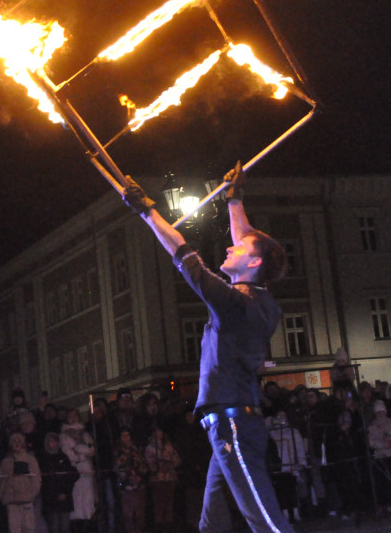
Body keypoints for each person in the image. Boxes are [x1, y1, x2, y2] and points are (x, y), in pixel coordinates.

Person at [121, 162, 296, 533]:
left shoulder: (236, 304)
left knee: (265, 521)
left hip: (231, 422)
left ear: (255, 262)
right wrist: (234, 199)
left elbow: (184, 255)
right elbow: (249, 235)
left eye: (240, 247)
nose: (232, 244)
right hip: (232, 419)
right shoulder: (263, 299)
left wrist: (147, 211)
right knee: (212, 523)